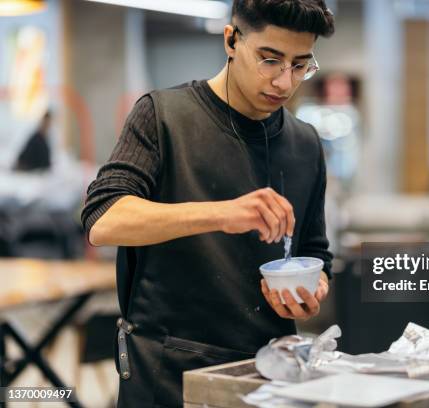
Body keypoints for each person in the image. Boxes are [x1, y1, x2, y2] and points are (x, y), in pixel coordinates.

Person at [81, 1, 335, 406]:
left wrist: (311, 292)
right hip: (167, 378)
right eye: (270, 61)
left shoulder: (305, 143)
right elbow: (103, 219)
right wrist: (222, 212)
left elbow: (314, 252)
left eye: (300, 65)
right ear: (232, 40)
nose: (284, 83)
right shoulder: (164, 117)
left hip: (269, 377)